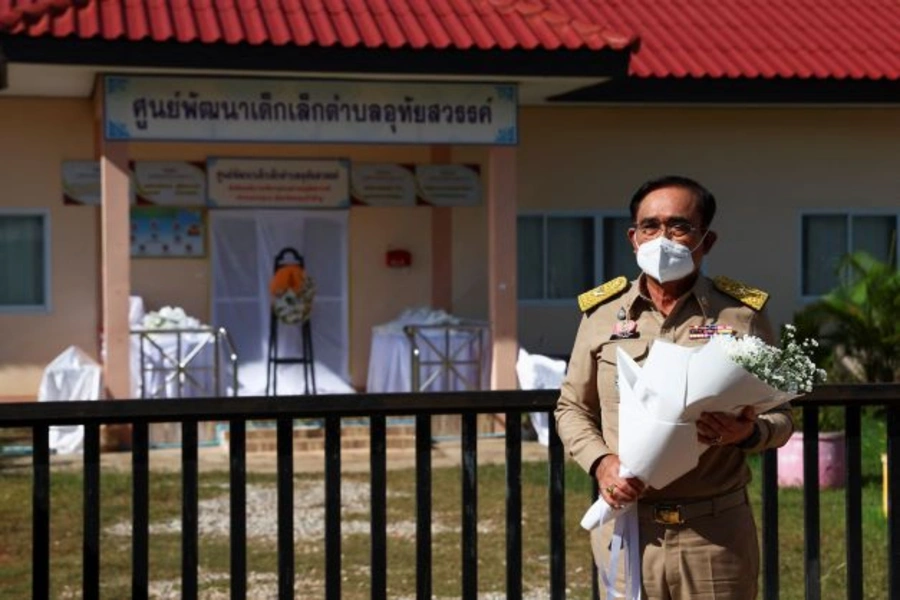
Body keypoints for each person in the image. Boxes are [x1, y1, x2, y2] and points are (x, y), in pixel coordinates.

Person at [554, 175, 794, 600]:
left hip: (713, 533)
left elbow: (781, 416)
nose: (662, 238)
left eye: (679, 226)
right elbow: (571, 407)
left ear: (707, 239)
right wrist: (602, 463)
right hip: (627, 524)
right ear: (633, 237)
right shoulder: (601, 314)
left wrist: (748, 433)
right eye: (650, 226)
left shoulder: (740, 314)